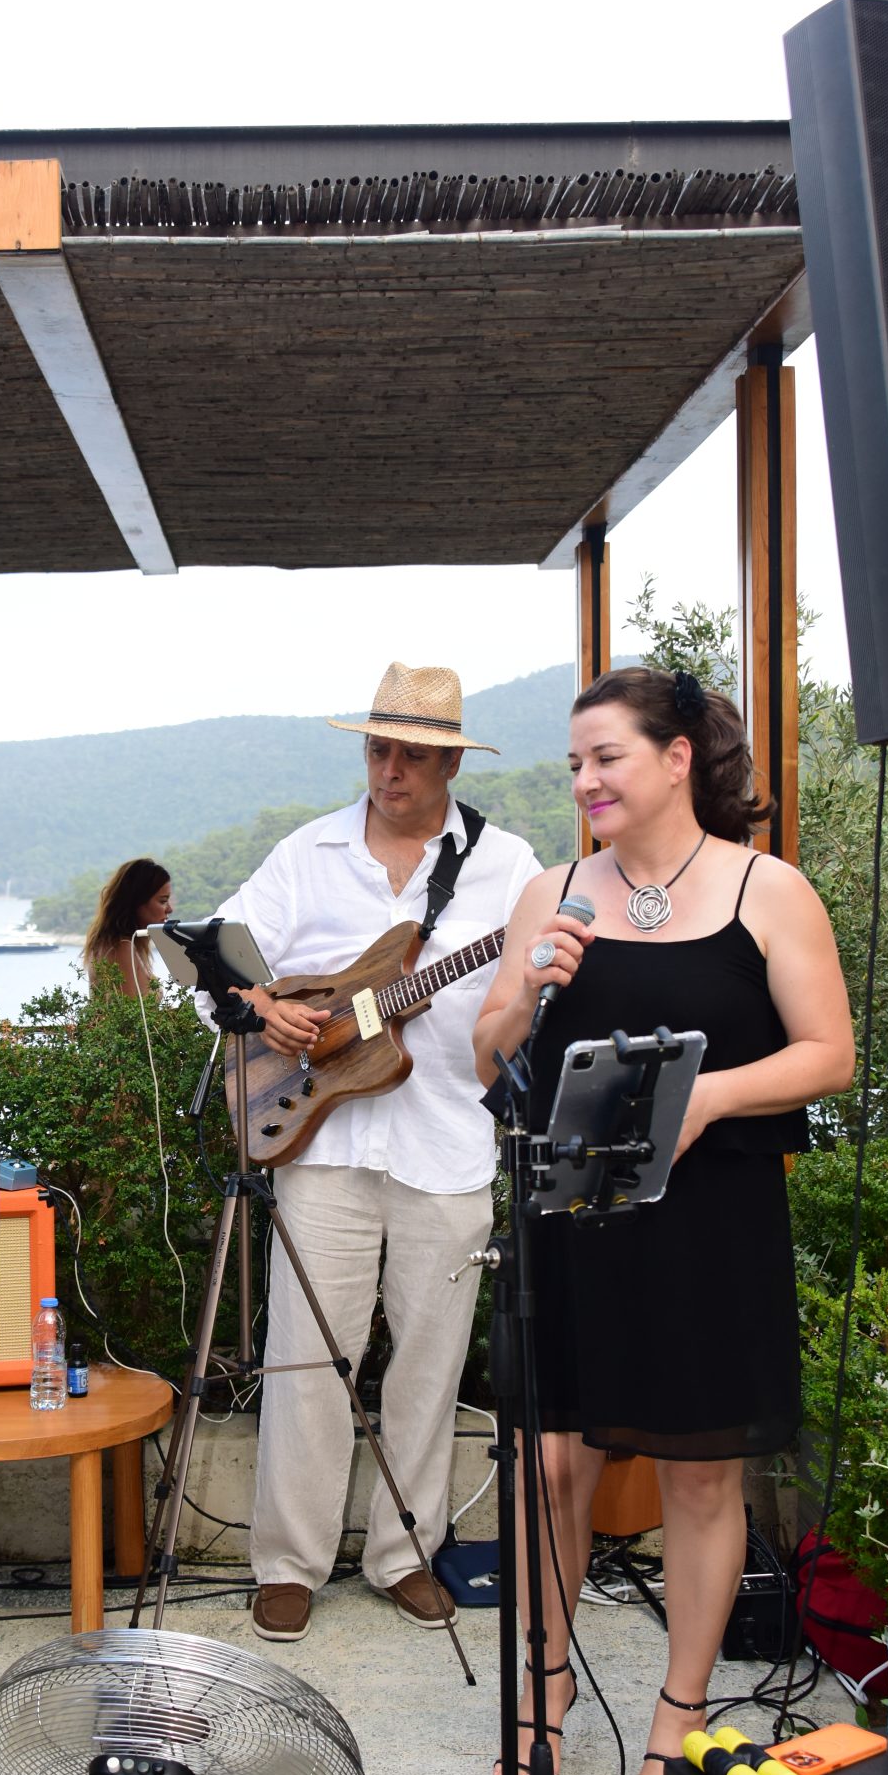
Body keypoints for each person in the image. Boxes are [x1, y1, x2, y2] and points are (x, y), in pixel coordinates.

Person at [472, 666, 854, 1775]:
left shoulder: (764, 887)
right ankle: (542, 1697)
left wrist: (706, 1098)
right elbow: (485, 1060)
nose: (582, 780)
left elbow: (828, 1053)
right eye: (575, 762)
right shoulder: (552, 891)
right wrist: (523, 994)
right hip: (570, 1216)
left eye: (605, 758)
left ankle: (674, 1722)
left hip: (709, 1224)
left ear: (676, 757)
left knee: (697, 1476)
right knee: (547, 1469)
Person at [214, 661, 542, 1643]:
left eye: (407, 753)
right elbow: (223, 950)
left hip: (445, 1139)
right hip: (320, 1137)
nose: (387, 768)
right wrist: (261, 1004)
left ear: (447, 760)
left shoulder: (508, 865)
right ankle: (287, 1562)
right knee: (307, 1357)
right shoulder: (307, 852)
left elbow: (531, 997)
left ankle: (403, 1552)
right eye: (375, 748)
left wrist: (525, 996)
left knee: (429, 1365)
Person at [83, 858, 173, 997]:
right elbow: (130, 1014)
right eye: (163, 901)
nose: (170, 909)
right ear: (137, 901)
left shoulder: (127, 944)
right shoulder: (121, 947)